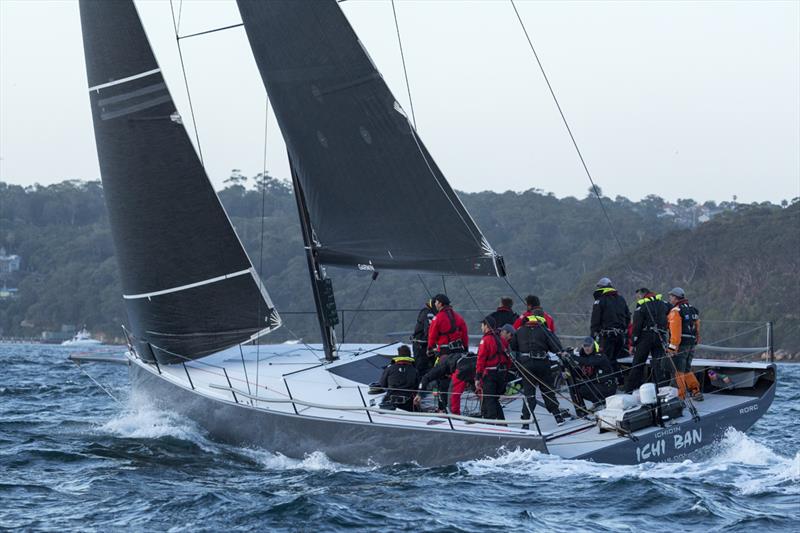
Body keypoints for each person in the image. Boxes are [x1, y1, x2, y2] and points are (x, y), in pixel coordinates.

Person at [510, 310, 564, 427]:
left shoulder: (520, 330)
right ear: (541, 318)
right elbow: (556, 347)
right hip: (542, 363)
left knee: (529, 393)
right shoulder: (545, 330)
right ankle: (557, 416)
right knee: (547, 390)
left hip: (526, 365)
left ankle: (526, 422)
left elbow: (513, 346)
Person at [424, 294, 468, 409]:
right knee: (454, 379)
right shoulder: (458, 317)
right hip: (459, 352)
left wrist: (429, 348)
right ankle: (453, 405)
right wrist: (466, 348)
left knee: (442, 377)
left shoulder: (437, 318)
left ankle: (443, 407)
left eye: (436, 302)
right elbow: (464, 334)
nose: (435, 304)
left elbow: (432, 335)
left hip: (445, 353)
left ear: (441, 303)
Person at [624, 288, 670, 393]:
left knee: (638, 363)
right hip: (660, 336)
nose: (637, 299)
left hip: (645, 337)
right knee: (659, 363)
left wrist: (633, 343)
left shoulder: (642, 306)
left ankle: (630, 388)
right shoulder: (663, 303)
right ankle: (662, 388)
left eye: (638, 296)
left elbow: (637, 326)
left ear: (642, 295)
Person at [590, 277, 631, 386]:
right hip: (620, 336)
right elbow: (628, 317)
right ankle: (620, 381)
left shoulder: (600, 300)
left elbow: (595, 319)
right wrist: (623, 329)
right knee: (614, 359)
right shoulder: (621, 299)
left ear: (601, 288)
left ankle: (609, 382)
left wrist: (592, 335)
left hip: (607, 336)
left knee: (605, 359)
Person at [667, 287, 703, 401]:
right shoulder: (693, 309)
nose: (670, 298)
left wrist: (672, 348)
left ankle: (680, 396)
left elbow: (675, 332)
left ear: (676, 298)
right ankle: (695, 391)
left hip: (681, 344)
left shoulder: (676, 311)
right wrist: (696, 340)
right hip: (692, 343)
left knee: (678, 370)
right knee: (687, 368)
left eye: (671, 296)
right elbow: (697, 327)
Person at [474, 316, 511, 420]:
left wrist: (477, 377)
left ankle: (491, 423)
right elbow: (509, 359)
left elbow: (480, 360)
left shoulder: (485, 340)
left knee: (489, 400)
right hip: (502, 374)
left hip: (490, 375)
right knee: (495, 400)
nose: (481, 327)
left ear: (486, 326)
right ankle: (503, 424)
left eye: (482, 325)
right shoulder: (503, 340)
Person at [569, 337, 616, 414]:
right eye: (585, 346)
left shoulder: (600, 355)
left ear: (593, 346)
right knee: (579, 388)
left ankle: (602, 402)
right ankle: (597, 403)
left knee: (584, 389)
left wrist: (573, 357)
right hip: (596, 385)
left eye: (589, 346)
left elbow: (589, 362)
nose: (587, 348)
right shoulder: (584, 358)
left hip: (608, 386)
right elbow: (581, 372)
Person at [376, 345, 419, 411]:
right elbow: (417, 386)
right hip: (409, 402)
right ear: (409, 355)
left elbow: (382, 384)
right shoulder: (415, 370)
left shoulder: (389, 368)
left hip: (391, 400)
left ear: (399, 355)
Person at [411, 299, 437, 376]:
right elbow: (429, 331)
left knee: (425, 369)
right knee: (423, 369)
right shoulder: (428, 313)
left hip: (422, 345)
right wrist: (432, 346)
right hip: (422, 347)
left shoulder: (430, 313)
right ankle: (423, 385)